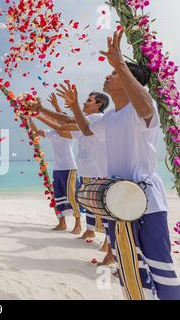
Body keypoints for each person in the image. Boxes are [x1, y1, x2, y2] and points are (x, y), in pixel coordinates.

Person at [62, 30, 180, 300]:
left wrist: (121, 65)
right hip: (117, 201)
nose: (108, 75)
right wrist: (74, 107)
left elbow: (148, 108)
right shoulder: (112, 116)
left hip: (147, 201)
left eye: (114, 73)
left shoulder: (139, 110)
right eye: (113, 71)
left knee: (160, 265)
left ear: (130, 81)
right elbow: (88, 131)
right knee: (129, 267)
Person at [25, 91, 114, 265]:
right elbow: (62, 128)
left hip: (99, 172)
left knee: (103, 209)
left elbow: (64, 122)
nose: (84, 103)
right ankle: (90, 231)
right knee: (89, 205)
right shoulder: (85, 122)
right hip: (87, 171)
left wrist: (38, 111)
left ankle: (107, 243)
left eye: (88, 101)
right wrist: (35, 114)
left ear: (98, 104)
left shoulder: (97, 118)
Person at [25, 105, 82, 234]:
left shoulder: (67, 133)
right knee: (59, 197)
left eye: (58, 119)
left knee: (72, 196)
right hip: (58, 169)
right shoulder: (53, 134)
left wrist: (43, 114)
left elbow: (60, 126)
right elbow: (37, 131)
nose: (55, 121)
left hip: (69, 168)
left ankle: (78, 225)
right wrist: (29, 118)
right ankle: (62, 223)